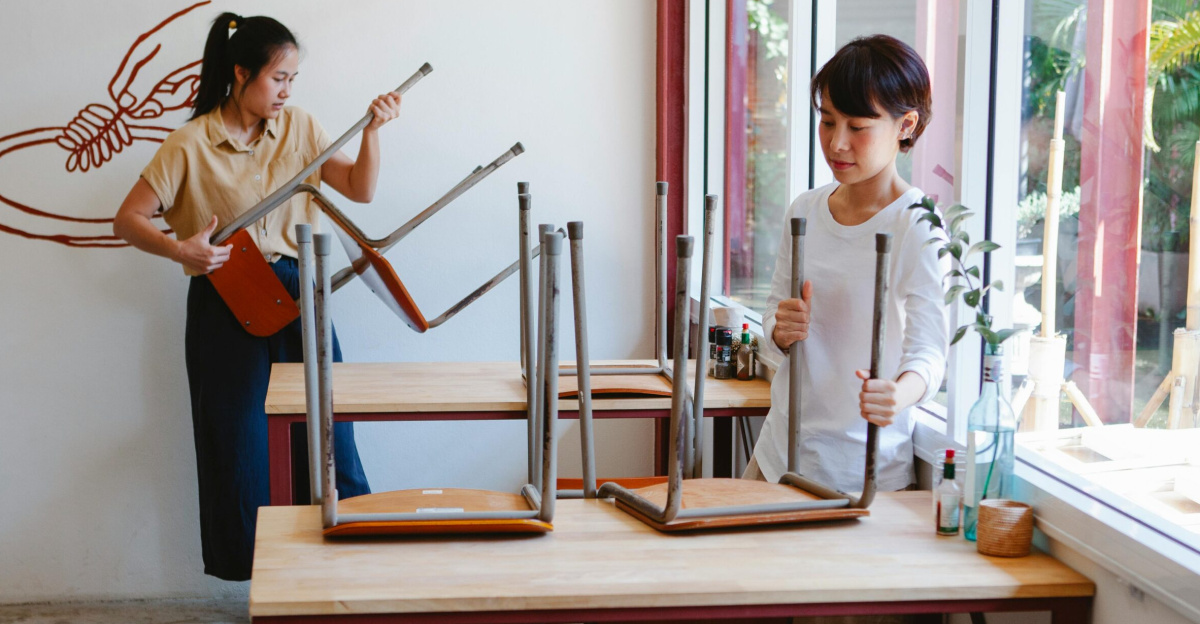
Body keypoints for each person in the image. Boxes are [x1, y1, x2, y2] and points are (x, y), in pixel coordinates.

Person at [113, 12, 402, 581]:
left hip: (297, 294)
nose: (287, 90)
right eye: (277, 78)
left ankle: (344, 576)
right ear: (240, 73)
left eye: (293, 78)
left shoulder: (301, 128)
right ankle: (263, 585)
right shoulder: (189, 142)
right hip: (224, 295)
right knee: (238, 443)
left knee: (328, 435)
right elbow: (127, 219)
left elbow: (361, 191)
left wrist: (371, 131)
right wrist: (180, 251)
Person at [745, 35, 948, 494]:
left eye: (858, 126)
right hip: (778, 456)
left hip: (860, 474)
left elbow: (929, 354)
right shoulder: (805, 210)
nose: (837, 143)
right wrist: (780, 329)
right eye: (827, 121)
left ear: (906, 125)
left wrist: (899, 394)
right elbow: (773, 332)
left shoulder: (918, 226)